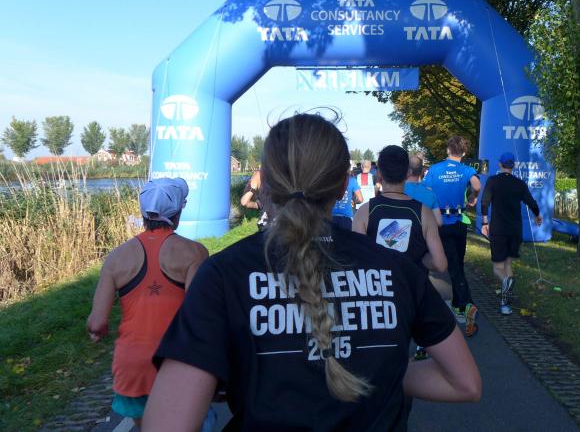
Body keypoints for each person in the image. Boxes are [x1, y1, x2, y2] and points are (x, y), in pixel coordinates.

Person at [143, 114, 481, 431]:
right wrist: (382, 371)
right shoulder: (398, 270)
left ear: (266, 184)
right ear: (342, 185)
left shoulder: (222, 275)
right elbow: (464, 383)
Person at [86, 178, 209, 429]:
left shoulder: (116, 258)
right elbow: (199, 315)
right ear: (178, 213)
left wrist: (96, 332)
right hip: (177, 360)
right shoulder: (195, 253)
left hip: (133, 364)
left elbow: (97, 322)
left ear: (143, 213)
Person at [353, 145, 447, 273]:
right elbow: (440, 264)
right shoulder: (425, 213)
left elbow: (358, 258)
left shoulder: (364, 212)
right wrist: (418, 260)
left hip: (378, 283)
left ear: (379, 173)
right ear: (408, 173)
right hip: (413, 284)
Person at [424, 136, 482, 337]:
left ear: (448, 150)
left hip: (441, 222)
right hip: (459, 223)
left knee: (453, 267)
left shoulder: (435, 169)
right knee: (458, 264)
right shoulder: (466, 170)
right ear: (464, 153)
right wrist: (473, 197)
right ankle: (460, 303)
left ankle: (466, 304)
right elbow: (477, 185)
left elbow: (427, 193)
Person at [480, 152, 542, 315]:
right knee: (507, 264)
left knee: (497, 268)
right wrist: (538, 215)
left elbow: (484, 202)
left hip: (498, 230)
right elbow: (531, 202)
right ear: (513, 166)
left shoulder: (492, 181)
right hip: (515, 231)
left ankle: (506, 284)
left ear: (500, 164)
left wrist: (485, 223)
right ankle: (505, 304)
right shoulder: (520, 184)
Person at [405, 154, 442, 226]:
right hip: (422, 231)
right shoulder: (430, 194)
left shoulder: (396, 191)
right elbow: (439, 222)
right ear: (421, 171)